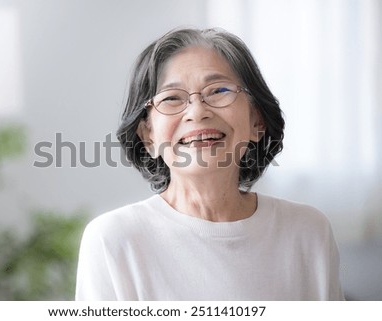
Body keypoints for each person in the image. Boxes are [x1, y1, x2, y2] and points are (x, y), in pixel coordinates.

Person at [75, 27, 344, 300]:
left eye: (218, 91)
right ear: (148, 136)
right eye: (171, 98)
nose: (197, 111)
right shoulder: (113, 240)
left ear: (257, 122)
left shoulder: (309, 231)